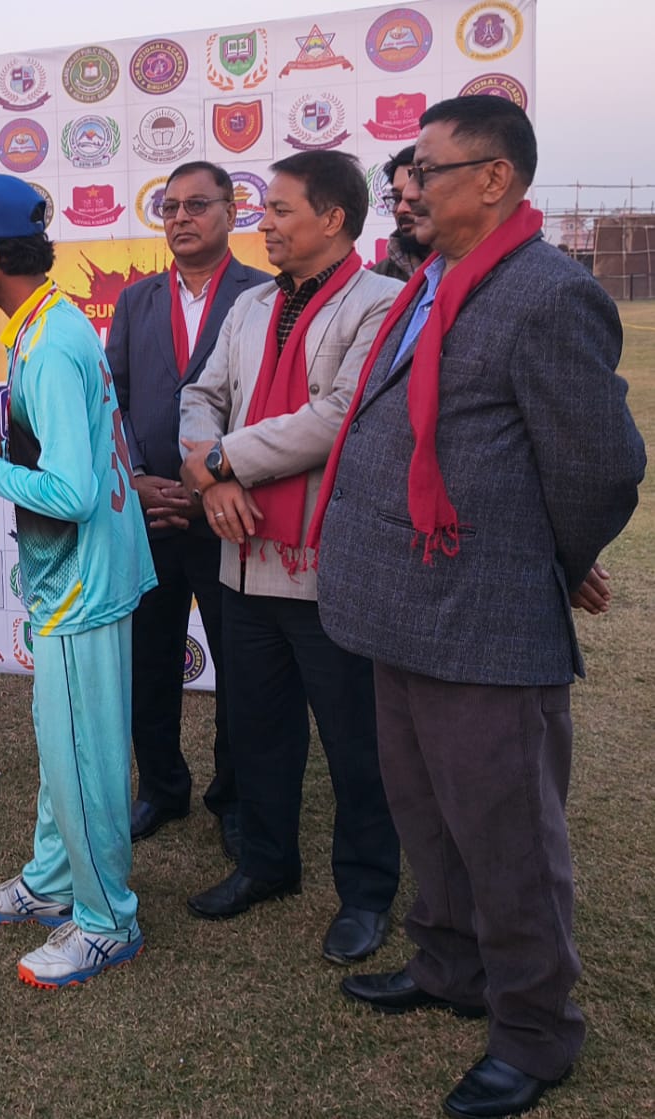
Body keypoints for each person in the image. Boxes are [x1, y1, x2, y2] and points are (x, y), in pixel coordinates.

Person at [313, 97, 646, 1118]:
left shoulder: (545, 293)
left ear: (494, 179)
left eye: (428, 169)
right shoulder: (433, 279)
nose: (407, 187)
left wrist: (544, 563)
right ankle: (450, 966)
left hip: (484, 621)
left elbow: (597, 468)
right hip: (404, 609)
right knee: (427, 814)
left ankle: (535, 1031)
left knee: (508, 841)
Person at [0, 172, 157, 988]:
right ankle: (54, 880)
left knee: (83, 754)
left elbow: (71, 491)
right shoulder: (47, 322)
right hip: (77, 577)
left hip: (82, 584)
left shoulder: (49, 342)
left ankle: (107, 920)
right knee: (64, 745)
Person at [177, 150, 401, 964]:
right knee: (258, 729)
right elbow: (199, 395)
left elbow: (339, 415)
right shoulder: (252, 304)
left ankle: (367, 892)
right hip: (243, 559)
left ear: (333, 219)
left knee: (356, 743)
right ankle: (266, 863)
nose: (263, 223)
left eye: (279, 210)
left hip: (328, 566)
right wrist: (210, 479)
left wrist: (220, 460)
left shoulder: (382, 303)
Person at [106, 161, 270, 856]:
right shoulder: (136, 300)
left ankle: (233, 797)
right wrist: (137, 479)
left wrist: (214, 483)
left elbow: (272, 406)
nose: (180, 218)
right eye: (168, 207)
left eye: (196, 205)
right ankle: (160, 787)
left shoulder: (263, 295)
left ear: (232, 212)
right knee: (148, 660)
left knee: (240, 666)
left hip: (230, 514)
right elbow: (112, 401)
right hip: (149, 514)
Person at [372, 145, 430, 281]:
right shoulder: (378, 280)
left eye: (415, 196)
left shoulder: (477, 268)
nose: (401, 209)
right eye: (397, 198)